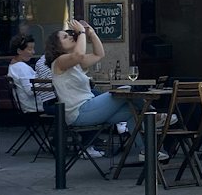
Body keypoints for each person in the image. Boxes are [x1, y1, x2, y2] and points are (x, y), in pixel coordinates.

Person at [44, 19, 158, 160]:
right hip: (80, 112)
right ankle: (155, 115)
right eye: (65, 37)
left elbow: (99, 55)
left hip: (89, 108)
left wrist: (91, 33)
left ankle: (146, 152)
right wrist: (80, 32)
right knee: (125, 90)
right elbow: (78, 54)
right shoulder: (59, 61)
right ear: (57, 46)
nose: (70, 36)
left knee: (131, 113)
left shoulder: (75, 63)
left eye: (69, 34)